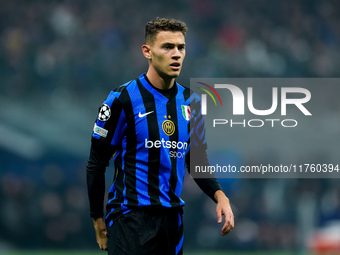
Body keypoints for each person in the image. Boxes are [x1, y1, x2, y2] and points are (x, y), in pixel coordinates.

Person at [86, 17, 234, 255]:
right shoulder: (121, 99)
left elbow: (195, 160)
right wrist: (97, 218)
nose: (176, 54)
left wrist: (220, 197)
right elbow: (96, 162)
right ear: (147, 51)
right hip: (130, 218)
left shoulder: (191, 102)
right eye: (167, 47)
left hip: (172, 221)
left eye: (181, 47)